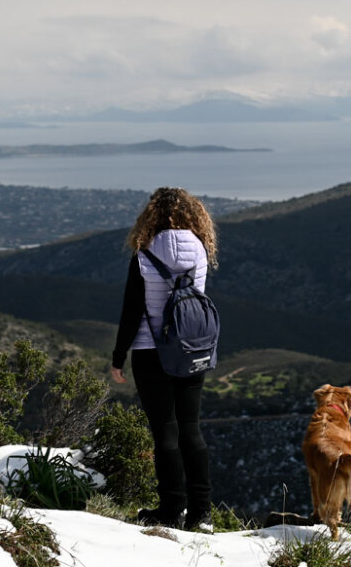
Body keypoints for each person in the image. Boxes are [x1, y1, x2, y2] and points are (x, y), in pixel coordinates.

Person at [111, 186, 217, 531]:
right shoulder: (200, 250)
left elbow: (130, 311)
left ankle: (171, 509)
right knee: (191, 430)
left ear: (152, 215)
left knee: (165, 433)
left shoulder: (144, 253)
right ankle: (202, 514)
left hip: (149, 350)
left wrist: (118, 356)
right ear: (192, 214)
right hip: (191, 349)